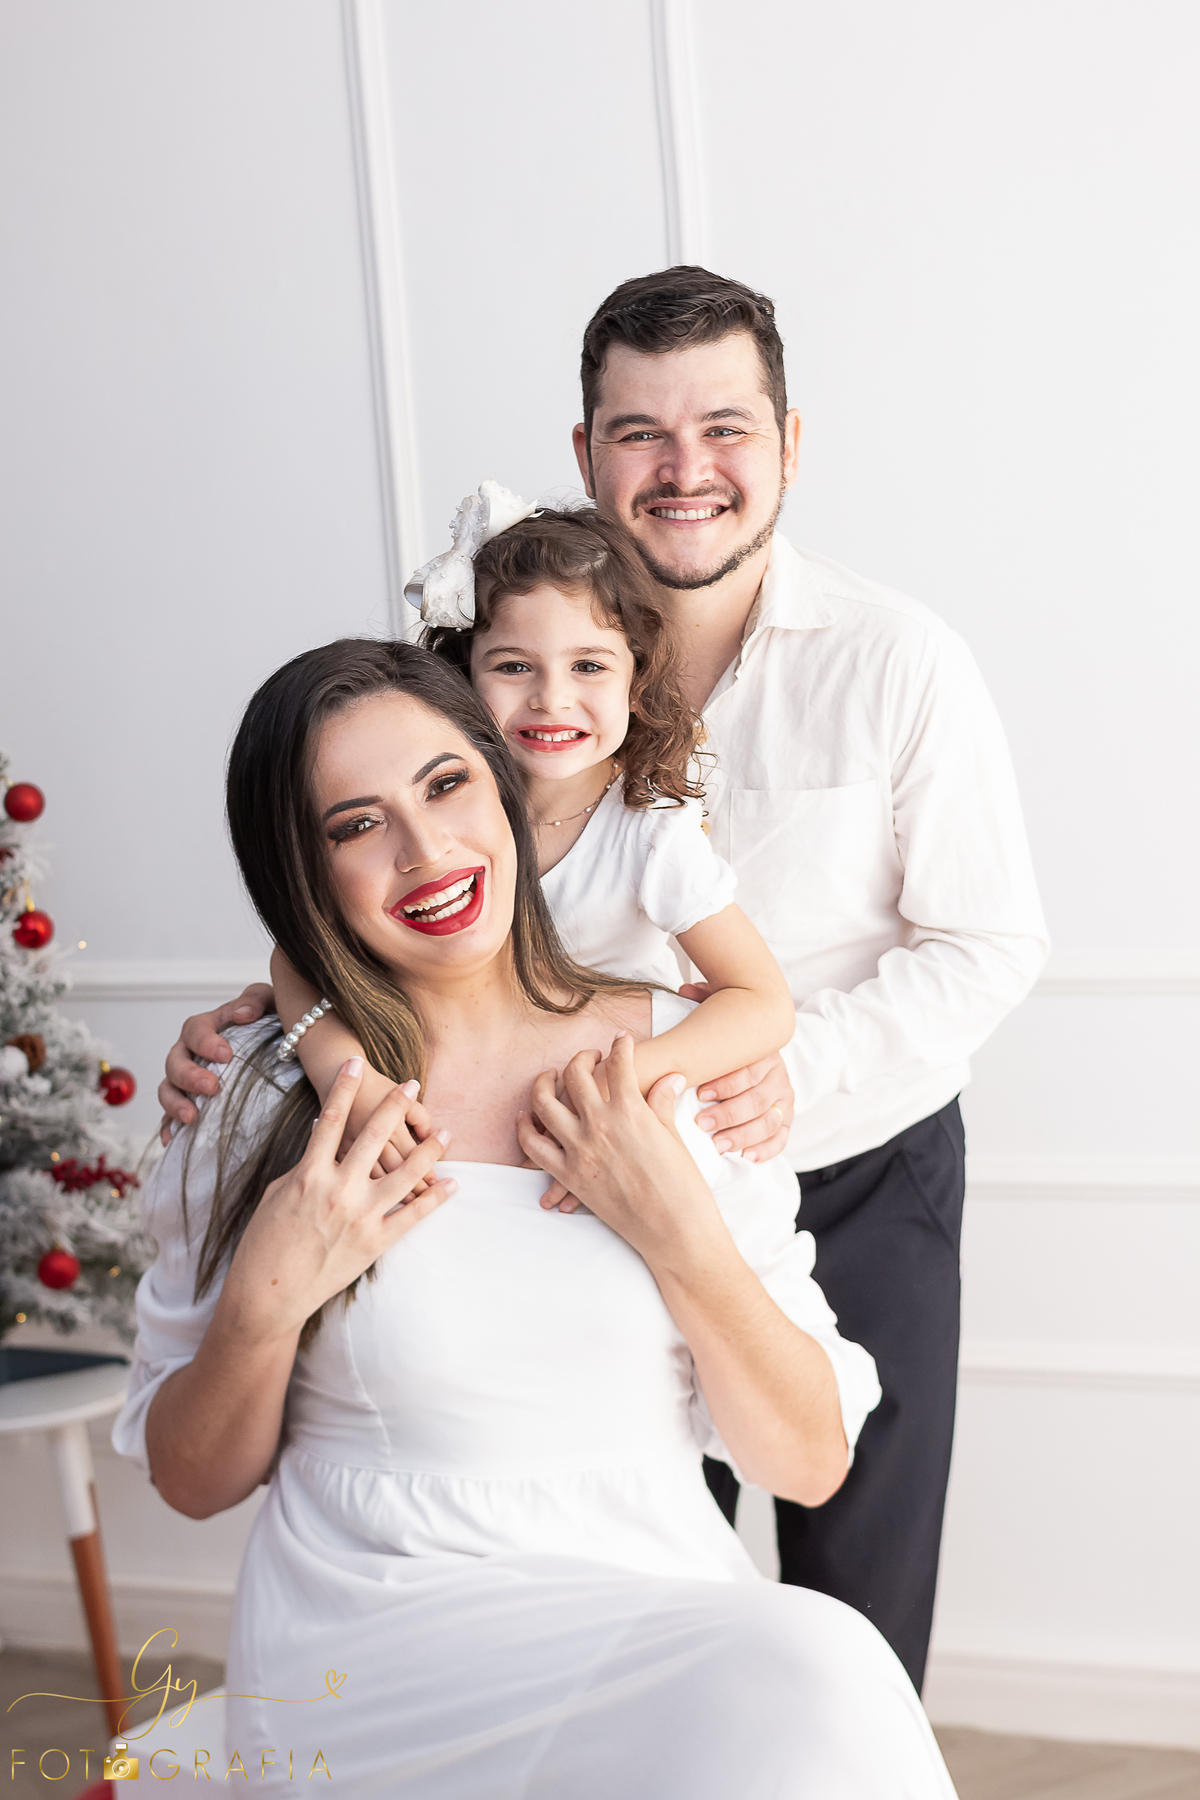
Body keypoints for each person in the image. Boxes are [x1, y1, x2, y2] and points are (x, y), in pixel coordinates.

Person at [159, 266, 1049, 1691]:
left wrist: (737, 1087)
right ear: (585, 454)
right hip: (558, 1177)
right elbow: (380, 862)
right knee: (630, 1573)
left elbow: (988, 943)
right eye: (640, 431)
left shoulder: (900, 661)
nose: (685, 469)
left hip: (842, 1159)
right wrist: (294, 1021)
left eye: (726, 428)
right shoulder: (494, 682)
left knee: (856, 1585)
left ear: (790, 443)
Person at [115, 637, 957, 1796]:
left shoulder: (672, 1061)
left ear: (506, 788)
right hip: (375, 1645)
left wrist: (681, 1239)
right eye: (355, 826)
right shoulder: (259, 1093)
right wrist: (264, 1306)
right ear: (299, 875)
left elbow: (808, 1465)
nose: (426, 850)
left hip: (652, 1610)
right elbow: (194, 1482)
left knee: (825, 1666)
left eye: (447, 785)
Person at [268, 505, 795, 1189]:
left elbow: (761, 1001)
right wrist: (342, 1067)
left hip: (588, 1107)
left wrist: (616, 1084)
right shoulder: (447, 810)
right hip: (453, 1079)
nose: (552, 699)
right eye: (515, 666)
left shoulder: (648, 832)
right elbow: (297, 954)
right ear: (461, 678)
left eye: (588, 666)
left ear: (637, 678)